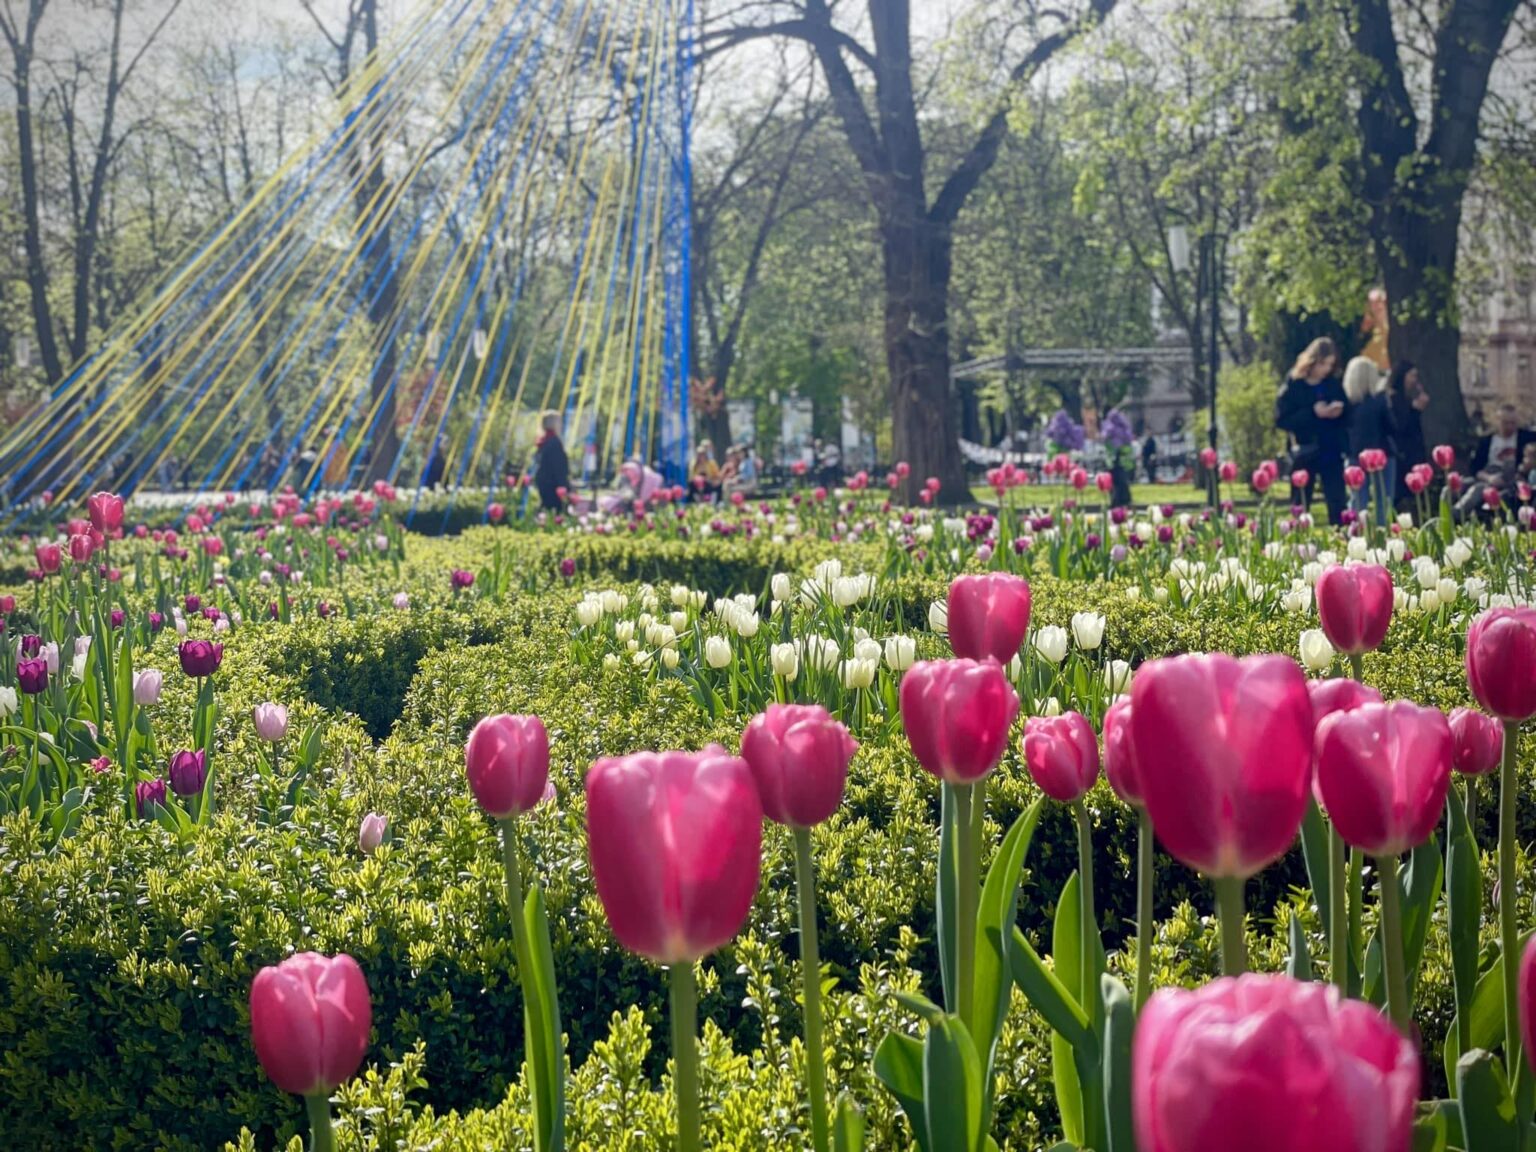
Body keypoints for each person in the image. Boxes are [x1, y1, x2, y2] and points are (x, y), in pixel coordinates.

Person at [1275, 337, 1349, 524]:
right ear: (1312, 361)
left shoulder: (1332, 384)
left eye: (1330, 365)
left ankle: (1340, 536)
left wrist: (1338, 412)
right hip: (1304, 450)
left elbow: (1348, 412)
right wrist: (1313, 412)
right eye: (1322, 364)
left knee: (1337, 500)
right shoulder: (1294, 384)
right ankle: (1299, 539)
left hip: (1330, 449)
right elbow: (1282, 419)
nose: (1325, 369)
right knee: (1300, 502)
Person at [1343, 355, 1395, 523]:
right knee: (1384, 502)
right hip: (1383, 454)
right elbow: (1392, 426)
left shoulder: (1347, 405)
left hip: (1355, 454)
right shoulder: (1380, 401)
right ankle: (1382, 536)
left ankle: (1357, 537)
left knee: (1358, 502)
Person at [1388, 360, 1428, 505]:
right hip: (1402, 452)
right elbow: (1401, 426)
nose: (1414, 380)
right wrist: (1415, 411)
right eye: (1412, 376)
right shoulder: (1394, 399)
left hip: (1414, 449)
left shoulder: (1407, 398)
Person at [531, 410, 569, 513]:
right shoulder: (554, 442)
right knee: (555, 511)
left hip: (543, 481)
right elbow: (558, 466)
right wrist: (564, 485)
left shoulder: (543, 441)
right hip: (553, 484)